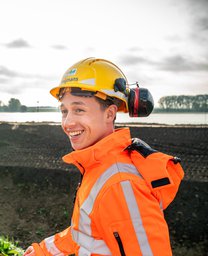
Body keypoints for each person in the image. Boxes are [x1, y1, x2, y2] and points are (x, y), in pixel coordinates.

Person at [24, 57, 184, 256]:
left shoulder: (119, 183)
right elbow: (86, 233)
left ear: (109, 114)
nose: (68, 122)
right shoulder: (99, 166)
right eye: (64, 111)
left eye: (79, 110)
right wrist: (44, 251)